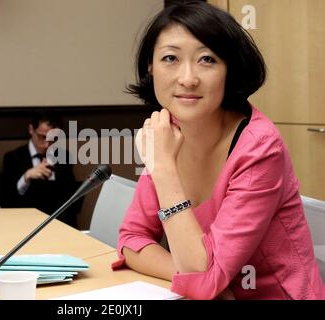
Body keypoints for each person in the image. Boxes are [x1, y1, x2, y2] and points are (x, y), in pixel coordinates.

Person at [113, 1, 324, 300]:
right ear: (150, 65)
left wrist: (164, 168)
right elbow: (132, 238)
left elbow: (203, 276)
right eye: (170, 58)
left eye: (207, 60)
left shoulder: (260, 148)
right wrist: (198, 277)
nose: (187, 78)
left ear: (229, 69)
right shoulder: (168, 130)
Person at [1, 111, 80, 228]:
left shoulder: (64, 157)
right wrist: (25, 178)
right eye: (42, 137)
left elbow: (71, 203)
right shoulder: (13, 158)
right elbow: (6, 201)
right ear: (31, 129)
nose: (47, 144)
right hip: (24, 223)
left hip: (58, 224)